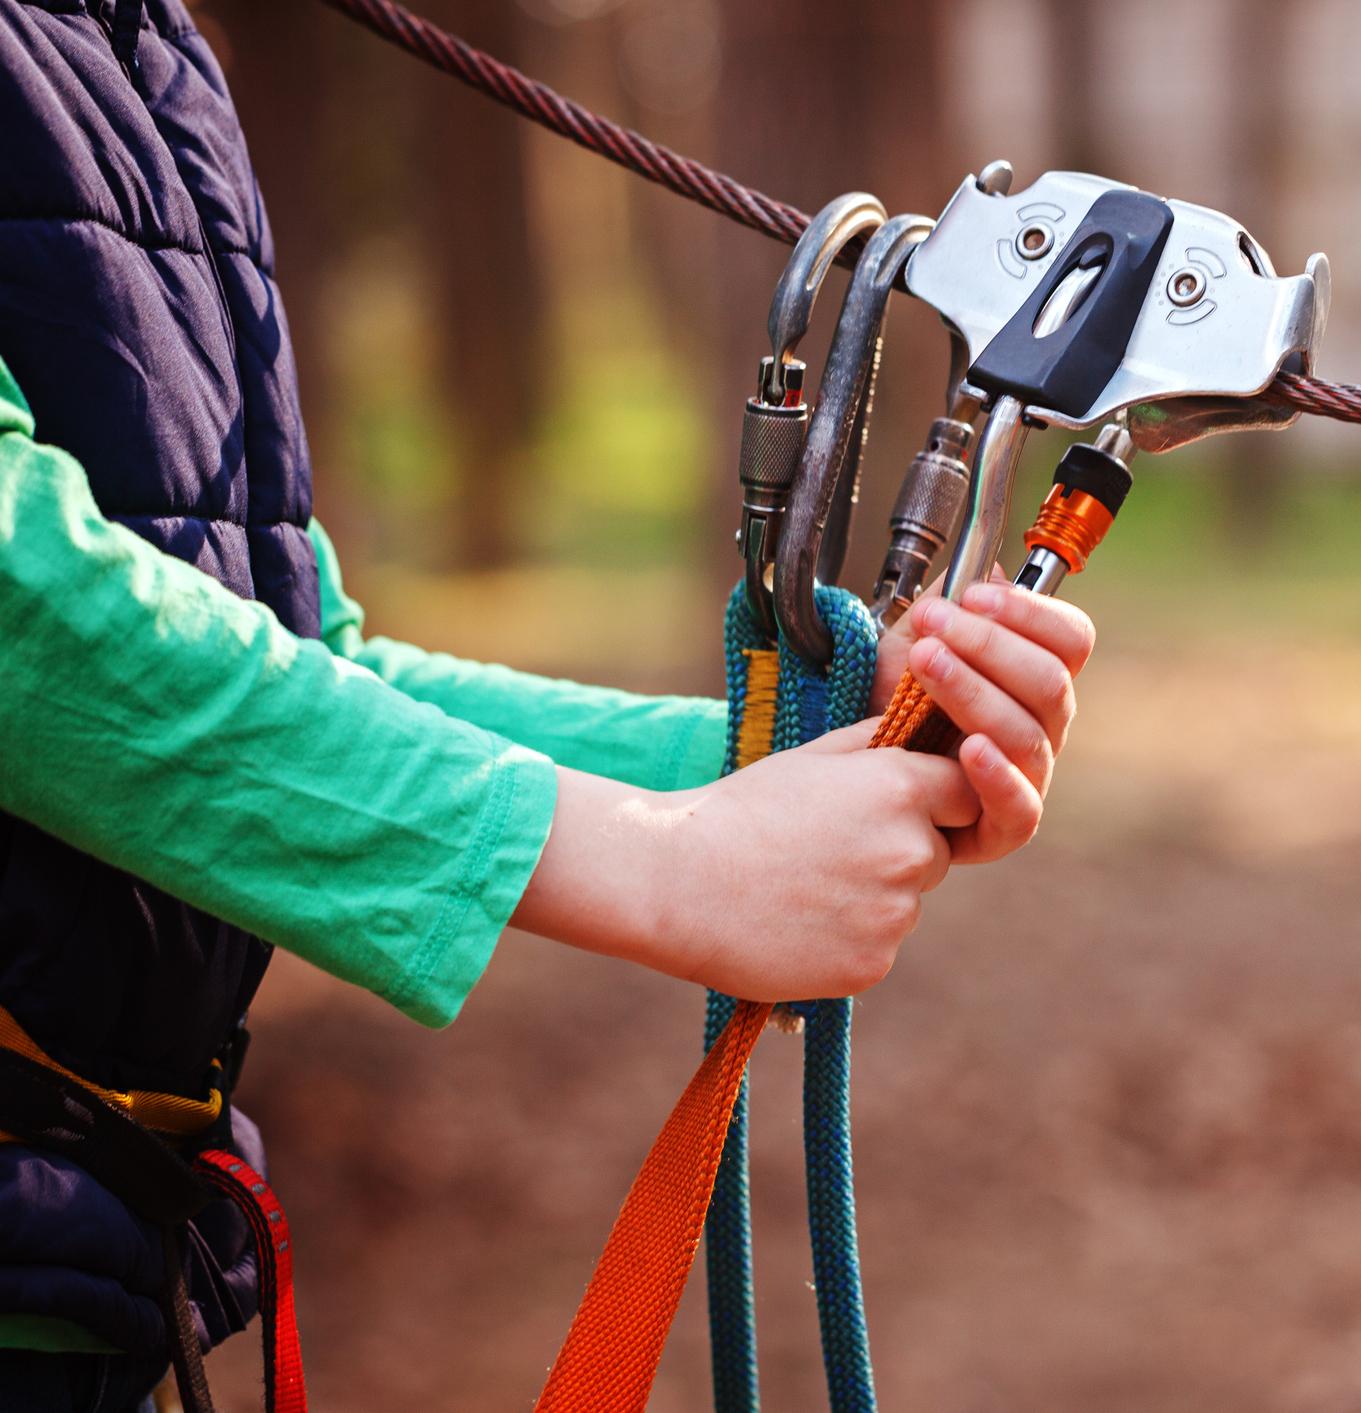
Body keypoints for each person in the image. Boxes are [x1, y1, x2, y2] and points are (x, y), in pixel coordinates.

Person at [0, 2, 1094, 1407]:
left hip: (98, 1274)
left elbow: (295, 654)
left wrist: (799, 752)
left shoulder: (144, 54)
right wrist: (666, 862)